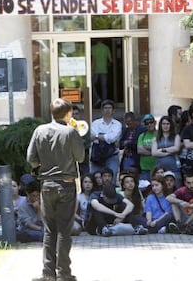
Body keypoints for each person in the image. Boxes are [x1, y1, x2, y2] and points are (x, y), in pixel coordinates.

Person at [27, 98, 85, 281]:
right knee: (64, 231)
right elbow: (80, 157)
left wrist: (43, 167)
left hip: (46, 185)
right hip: (66, 184)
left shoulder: (39, 130)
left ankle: (48, 273)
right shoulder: (70, 132)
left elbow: (31, 157)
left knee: (49, 230)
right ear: (68, 114)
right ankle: (64, 273)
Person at [90, 99, 122, 186]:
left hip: (112, 155)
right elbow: (92, 136)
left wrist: (98, 136)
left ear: (113, 110)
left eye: (109, 108)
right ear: (102, 110)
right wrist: (106, 137)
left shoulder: (117, 124)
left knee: (111, 180)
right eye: (105, 108)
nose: (107, 110)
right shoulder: (95, 123)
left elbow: (112, 138)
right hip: (97, 155)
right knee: (94, 180)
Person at [151, 116, 182, 188]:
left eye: (167, 124)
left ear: (171, 125)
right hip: (160, 169)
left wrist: (162, 150)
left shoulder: (176, 136)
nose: (165, 126)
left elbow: (177, 148)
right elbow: (154, 153)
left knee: (176, 189)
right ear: (160, 125)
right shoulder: (156, 138)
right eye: (163, 124)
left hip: (174, 168)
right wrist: (171, 151)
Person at [91, 39, 112, 107]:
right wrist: (107, 64)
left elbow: (93, 59)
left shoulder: (93, 48)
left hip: (95, 70)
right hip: (104, 69)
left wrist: (92, 69)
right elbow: (110, 60)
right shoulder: (106, 48)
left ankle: (97, 99)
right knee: (104, 87)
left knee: (91, 85)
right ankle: (104, 103)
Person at [137, 114, 157, 182]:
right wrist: (155, 151)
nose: (149, 124)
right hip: (145, 168)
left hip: (157, 169)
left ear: (155, 122)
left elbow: (162, 147)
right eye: (146, 123)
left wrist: (146, 147)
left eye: (151, 122)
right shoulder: (142, 136)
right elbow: (139, 150)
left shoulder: (159, 134)